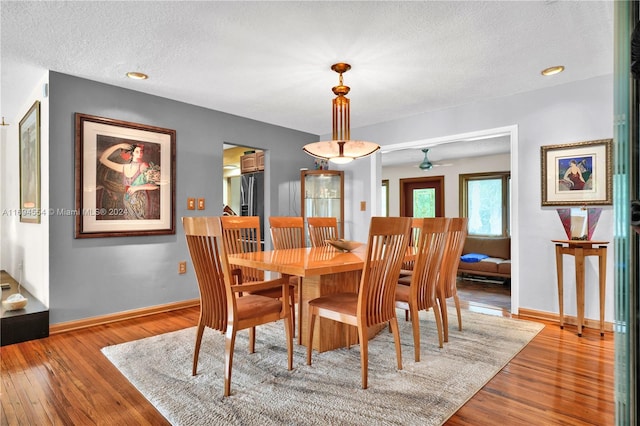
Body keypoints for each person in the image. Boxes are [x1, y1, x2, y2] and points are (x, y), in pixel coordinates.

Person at [99, 142, 160, 219]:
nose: (140, 153)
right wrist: (119, 146)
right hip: (127, 201)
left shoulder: (143, 166)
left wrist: (136, 188)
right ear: (132, 153)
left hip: (140, 202)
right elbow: (102, 159)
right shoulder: (124, 167)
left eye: (141, 151)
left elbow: (155, 185)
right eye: (137, 151)